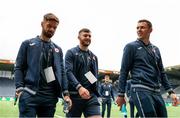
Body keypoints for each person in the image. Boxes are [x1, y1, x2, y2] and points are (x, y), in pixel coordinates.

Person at [116, 19, 178, 117]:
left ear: (150, 30)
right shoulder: (130, 47)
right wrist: (120, 94)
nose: (139, 30)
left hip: (156, 91)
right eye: (137, 28)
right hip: (140, 88)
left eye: (142, 27)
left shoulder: (156, 49)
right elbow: (124, 71)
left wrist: (171, 92)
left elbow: (162, 72)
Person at [14, 13, 71, 117]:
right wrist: (19, 88)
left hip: (49, 98)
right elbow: (18, 67)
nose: (52, 29)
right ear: (42, 24)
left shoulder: (58, 50)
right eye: (49, 26)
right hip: (29, 94)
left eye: (55, 27)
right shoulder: (27, 44)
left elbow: (62, 73)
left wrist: (66, 93)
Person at [65, 28, 101, 118]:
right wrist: (79, 87)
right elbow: (68, 72)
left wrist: (97, 92)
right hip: (74, 95)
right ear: (78, 37)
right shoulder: (71, 53)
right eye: (85, 35)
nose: (88, 37)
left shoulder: (93, 57)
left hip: (90, 96)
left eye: (89, 36)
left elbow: (92, 76)